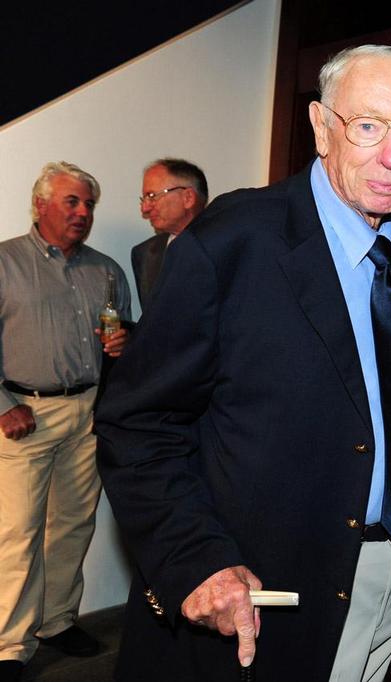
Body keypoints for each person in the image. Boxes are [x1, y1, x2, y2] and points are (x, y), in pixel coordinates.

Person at [94, 44, 391, 682]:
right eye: (367, 127)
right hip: (264, 593)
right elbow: (136, 422)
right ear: (319, 126)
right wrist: (196, 558)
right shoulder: (235, 240)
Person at [0, 161, 131, 682]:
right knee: (18, 532)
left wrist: (121, 345)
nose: (83, 213)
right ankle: (10, 644)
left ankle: (56, 622)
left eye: (89, 204)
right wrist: (2, 405)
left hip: (90, 412)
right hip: (25, 415)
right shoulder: (6, 262)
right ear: (40, 205)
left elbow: (119, 340)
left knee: (74, 524)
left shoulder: (107, 270)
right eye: (72, 202)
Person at [132, 158, 208, 308]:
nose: (145, 209)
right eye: (144, 199)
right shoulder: (145, 253)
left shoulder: (226, 246)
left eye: (152, 196)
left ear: (188, 198)